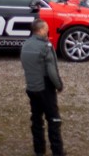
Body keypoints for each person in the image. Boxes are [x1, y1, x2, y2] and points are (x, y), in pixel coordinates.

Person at [20, 19, 65, 156]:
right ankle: (57, 151)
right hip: (45, 87)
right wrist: (59, 85)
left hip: (31, 87)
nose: (47, 31)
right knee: (54, 119)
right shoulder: (46, 46)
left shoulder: (26, 44)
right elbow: (51, 71)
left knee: (36, 119)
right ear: (40, 30)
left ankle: (39, 149)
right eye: (46, 29)